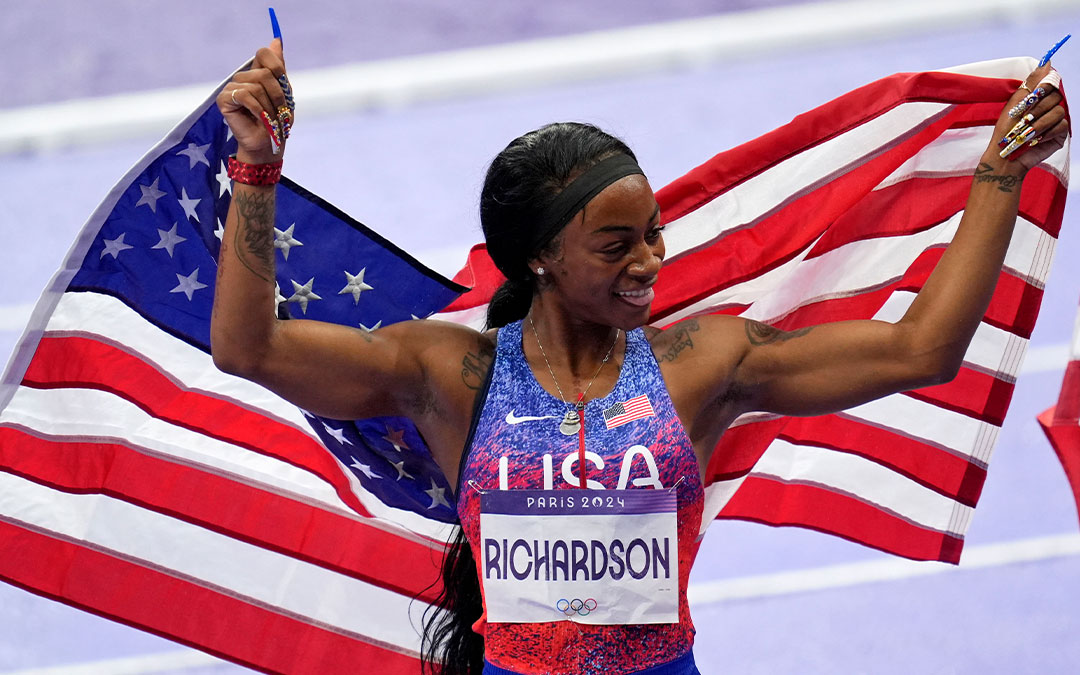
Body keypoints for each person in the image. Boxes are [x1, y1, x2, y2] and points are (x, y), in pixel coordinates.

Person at [209, 39, 1068, 675]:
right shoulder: (451, 375)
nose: (652, 261)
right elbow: (248, 348)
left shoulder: (703, 362)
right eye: (617, 244)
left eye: (652, 232)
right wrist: (258, 166)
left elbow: (923, 349)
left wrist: (999, 177)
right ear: (540, 256)